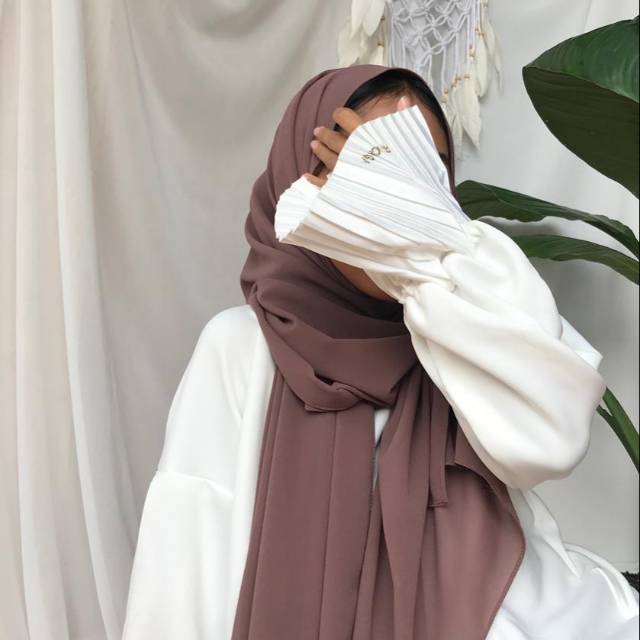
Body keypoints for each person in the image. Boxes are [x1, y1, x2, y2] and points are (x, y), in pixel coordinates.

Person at [122, 65, 639, 639]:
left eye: (418, 175)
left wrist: (420, 249)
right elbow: (185, 561)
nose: (387, 201)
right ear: (299, 177)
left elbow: (550, 438)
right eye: (365, 172)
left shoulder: (457, 327)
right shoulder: (241, 346)